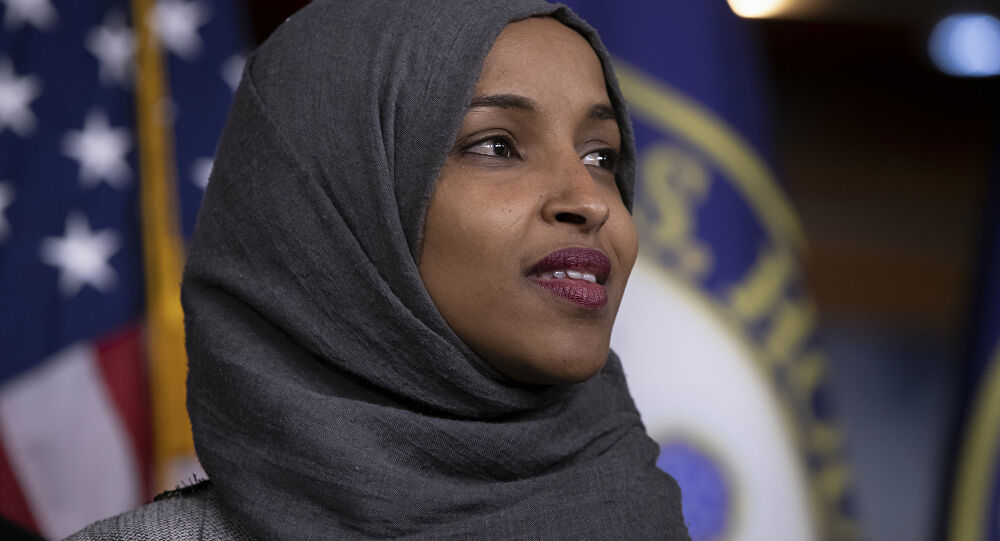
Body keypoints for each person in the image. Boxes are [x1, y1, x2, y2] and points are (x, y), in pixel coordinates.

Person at [70, 0, 689, 538]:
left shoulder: (646, 516)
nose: (589, 201)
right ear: (335, 205)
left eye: (600, 156)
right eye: (497, 146)